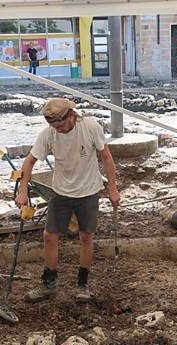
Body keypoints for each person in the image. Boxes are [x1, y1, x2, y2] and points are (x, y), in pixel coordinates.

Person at [14, 98, 120, 303]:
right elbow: (29, 161)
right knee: (49, 236)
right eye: (54, 126)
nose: (58, 130)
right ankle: (49, 283)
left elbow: (106, 157)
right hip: (61, 191)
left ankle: (82, 283)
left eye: (61, 125)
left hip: (88, 191)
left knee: (85, 237)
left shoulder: (90, 127)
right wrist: (23, 190)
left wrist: (113, 189)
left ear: (71, 116)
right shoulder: (49, 134)